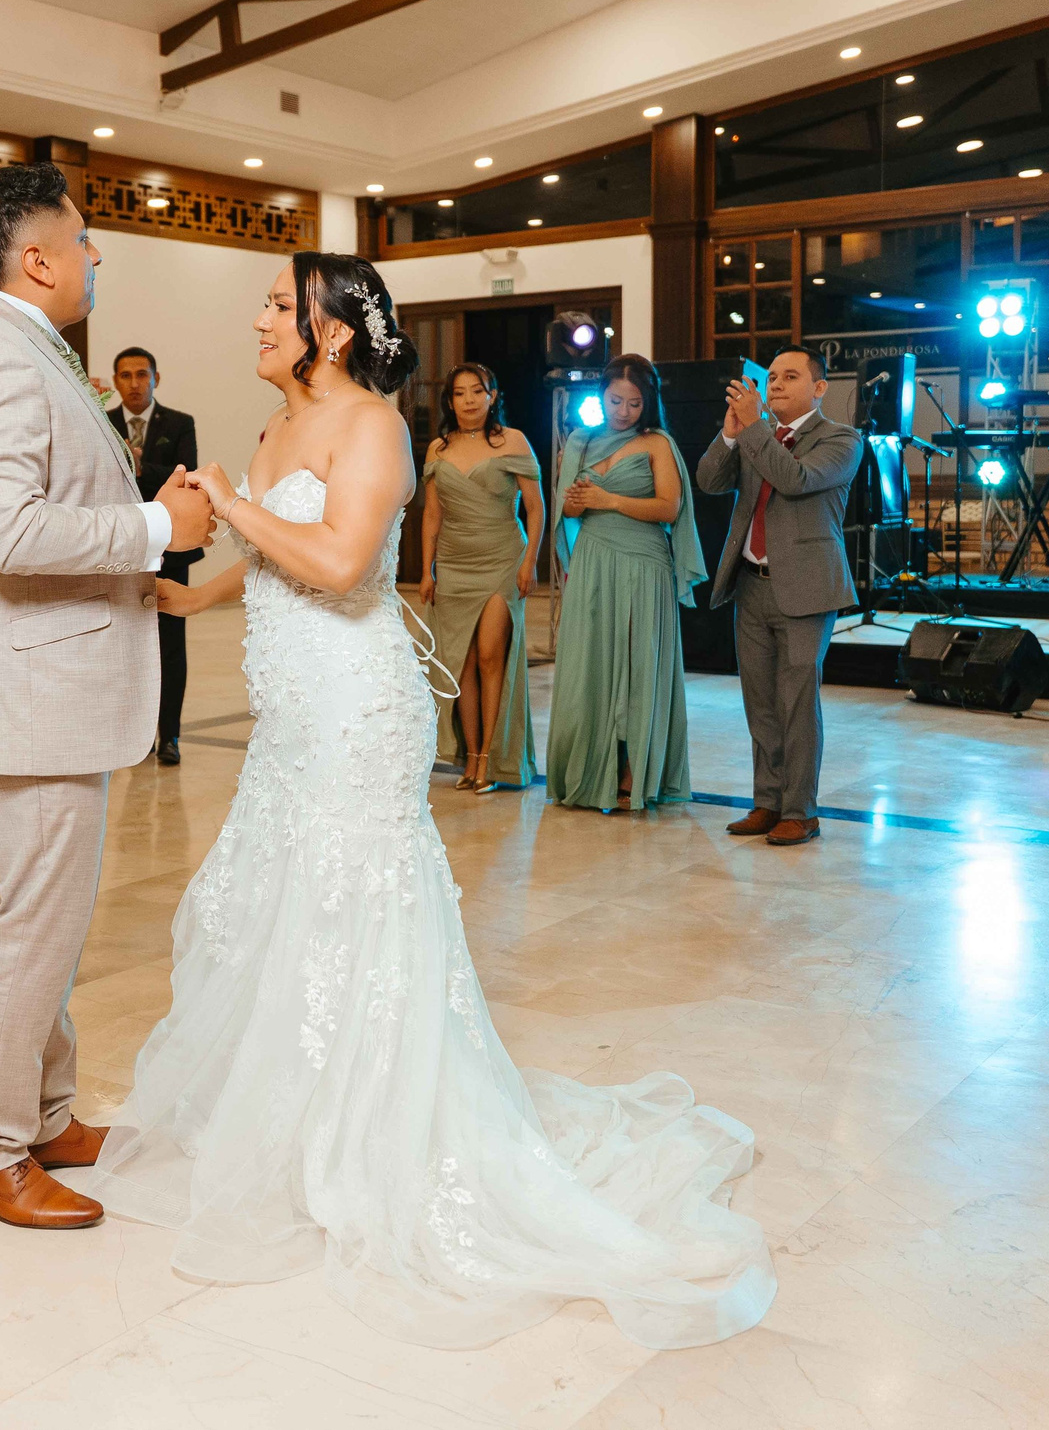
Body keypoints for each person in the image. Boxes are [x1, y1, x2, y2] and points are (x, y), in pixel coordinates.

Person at [106, 253, 773, 1349]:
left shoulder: (369, 425)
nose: (261, 319)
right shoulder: (276, 428)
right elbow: (273, 555)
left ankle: (378, 1136)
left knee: (353, 910)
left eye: (280, 304)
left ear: (329, 332)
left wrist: (222, 501)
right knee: (278, 909)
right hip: (290, 718)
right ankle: (298, 1123)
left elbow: (338, 559)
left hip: (356, 710)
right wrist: (194, 583)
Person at [0, 160, 211, 1230]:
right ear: (35, 257)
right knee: (32, 924)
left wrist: (143, 513)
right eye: (82, 239)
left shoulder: (14, 344)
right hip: (24, 683)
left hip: (34, 677)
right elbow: (10, 531)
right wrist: (154, 530)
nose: (96, 255)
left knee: (49, 916)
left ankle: (42, 1114)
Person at [692, 348, 859, 847]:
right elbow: (708, 480)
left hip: (807, 589)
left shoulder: (841, 439)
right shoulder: (752, 433)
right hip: (750, 584)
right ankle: (767, 801)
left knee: (797, 702)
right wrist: (730, 431)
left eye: (791, 377)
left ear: (819, 388)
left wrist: (754, 429)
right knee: (760, 702)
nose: (777, 385)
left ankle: (800, 810)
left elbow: (794, 480)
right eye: (772, 378)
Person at [547, 355, 705, 813]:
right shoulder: (579, 442)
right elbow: (570, 513)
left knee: (637, 666)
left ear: (648, 403)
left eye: (634, 403)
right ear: (601, 397)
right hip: (594, 560)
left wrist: (609, 499)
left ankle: (636, 773)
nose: (623, 410)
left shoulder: (657, 442)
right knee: (591, 665)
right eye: (615, 400)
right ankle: (592, 769)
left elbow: (669, 509)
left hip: (643, 563)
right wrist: (576, 500)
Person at [417, 363, 541, 792]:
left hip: (502, 559)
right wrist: (426, 569)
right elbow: (431, 513)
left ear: (492, 396)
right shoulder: (438, 448)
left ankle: (490, 757)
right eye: (459, 393)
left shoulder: (514, 441)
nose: (469, 400)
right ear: (449, 401)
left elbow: (537, 508)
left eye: (477, 392)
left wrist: (529, 562)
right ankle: (470, 758)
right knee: (461, 664)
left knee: (491, 656)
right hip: (453, 564)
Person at [110, 347, 199, 764]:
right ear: (115, 382)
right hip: (121, 548)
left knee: (170, 644)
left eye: (141, 375)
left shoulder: (180, 424)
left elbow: (189, 476)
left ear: (156, 379)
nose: (133, 383)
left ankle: (170, 737)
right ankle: (138, 735)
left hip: (171, 548)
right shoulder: (104, 422)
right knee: (126, 644)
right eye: (125, 376)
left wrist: (143, 462)